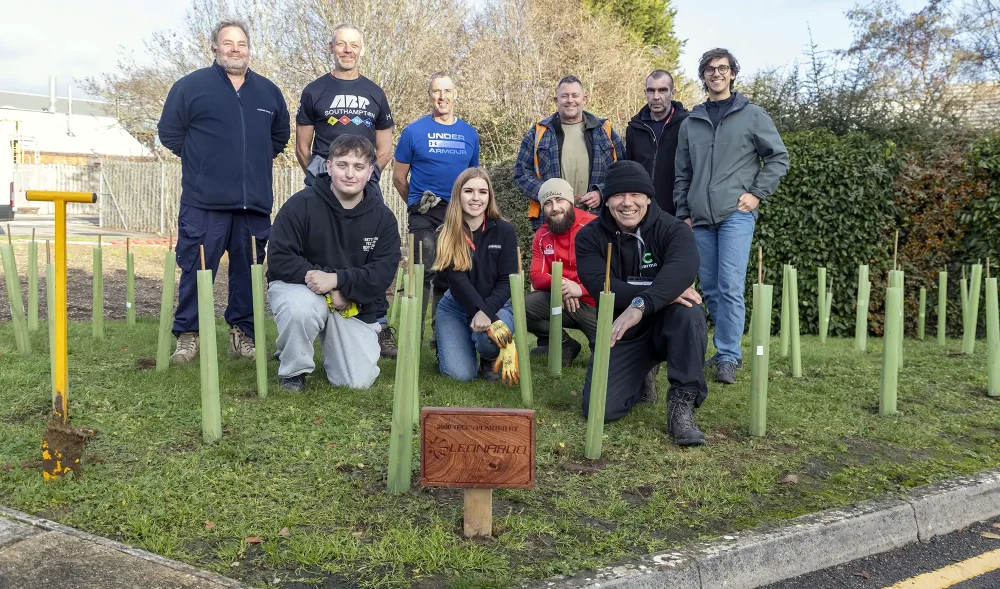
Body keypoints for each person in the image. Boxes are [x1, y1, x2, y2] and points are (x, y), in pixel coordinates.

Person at [157, 19, 289, 365]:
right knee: (197, 270)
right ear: (214, 47)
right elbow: (170, 133)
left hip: (254, 205)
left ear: (249, 48)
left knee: (248, 272)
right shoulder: (190, 87)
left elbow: (278, 138)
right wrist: (204, 162)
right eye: (227, 43)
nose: (235, 49)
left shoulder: (268, 93)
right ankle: (189, 335)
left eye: (241, 43)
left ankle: (242, 335)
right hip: (204, 204)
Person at [674, 48, 789, 384]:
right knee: (709, 288)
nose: (716, 73)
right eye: (709, 69)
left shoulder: (751, 115)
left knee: (729, 285)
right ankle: (721, 350)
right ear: (703, 76)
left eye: (723, 68)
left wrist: (756, 194)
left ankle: (728, 356)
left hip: (735, 214)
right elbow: (682, 172)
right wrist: (684, 212)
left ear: (733, 73)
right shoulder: (691, 122)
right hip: (700, 219)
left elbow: (779, 158)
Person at [576, 160, 709, 446]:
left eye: (635, 194)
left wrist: (640, 305)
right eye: (618, 195)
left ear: (648, 197)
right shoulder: (589, 237)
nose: (627, 203)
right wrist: (664, 290)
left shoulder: (675, 230)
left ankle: (682, 406)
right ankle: (640, 377)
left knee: (689, 310)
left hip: (667, 325)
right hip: (622, 333)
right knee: (600, 410)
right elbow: (600, 286)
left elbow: (683, 269)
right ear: (606, 200)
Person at [266, 135, 401, 391]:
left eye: (359, 167)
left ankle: (335, 352)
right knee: (301, 309)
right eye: (342, 164)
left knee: (356, 382)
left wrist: (339, 282)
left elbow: (382, 273)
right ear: (328, 166)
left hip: (352, 301)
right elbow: (280, 259)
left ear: (370, 171)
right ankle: (294, 371)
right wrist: (328, 287)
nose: (350, 174)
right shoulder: (299, 206)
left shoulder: (383, 218)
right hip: (303, 289)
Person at [294, 24, 397, 357]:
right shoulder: (314, 91)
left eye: (354, 45)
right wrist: (321, 179)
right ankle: (306, 328)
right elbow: (301, 145)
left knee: (371, 253)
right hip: (325, 183)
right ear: (332, 47)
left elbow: (385, 146)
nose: (347, 50)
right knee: (315, 249)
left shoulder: (375, 93)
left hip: (364, 183)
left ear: (362, 50)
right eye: (341, 44)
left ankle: (377, 323)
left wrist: (365, 175)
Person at [392, 73, 480, 345]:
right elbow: (398, 177)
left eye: (446, 91)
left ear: (455, 94)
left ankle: (442, 338)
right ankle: (412, 341)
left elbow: (473, 178)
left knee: (450, 274)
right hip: (424, 214)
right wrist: (415, 204)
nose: (441, 97)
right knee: (422, 273)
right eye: (436, 91)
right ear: (429, 95)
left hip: (457, 215)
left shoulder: (469, 134)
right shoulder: (413, 132)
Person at [432, 168, 519, 384]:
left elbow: (507, 280)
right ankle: (453, 343)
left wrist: (488, 313)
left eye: (482, 192)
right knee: (460, 375)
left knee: (486, 338)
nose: (476, 198)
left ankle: (488, 357)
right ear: (458, 195)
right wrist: (483, 314)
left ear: (489, 197)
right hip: (456, 306)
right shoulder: (446, 233)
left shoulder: (504, 231)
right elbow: (458, 281)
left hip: (497, 303)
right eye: (469, 191)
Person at [513, 76, 625, 230]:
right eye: (564, 96)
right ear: (556, 100)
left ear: (584, 99)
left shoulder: (605, 130)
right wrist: (551, 195)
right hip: (554, 219)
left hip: (597, 218)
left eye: (575, 95)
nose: (570, 100)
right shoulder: (538, 132)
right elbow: (521, 173)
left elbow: (622, 170)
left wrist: (602, 192)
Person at [524, 178, 598, 366]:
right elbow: (537, 277)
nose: (555, 207)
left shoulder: (595, 227)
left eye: (559, 200)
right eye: (548, 203)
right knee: (520, 308)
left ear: (571, 201)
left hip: (597, 305)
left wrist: (580, 289)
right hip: (562, 301)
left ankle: (599, 345)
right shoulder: (542, 234)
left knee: (611, 359)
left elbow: (611, 274)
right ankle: (565, 345)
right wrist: (564, 286)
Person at [625, 70, 689, 216]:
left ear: (673, 93)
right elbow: (630, 170)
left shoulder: (687, 125)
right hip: (641, 211)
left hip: (677, 211)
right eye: (651, 90)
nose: (656, 97)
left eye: (662, 90)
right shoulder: (634, 128)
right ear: (645, 93)